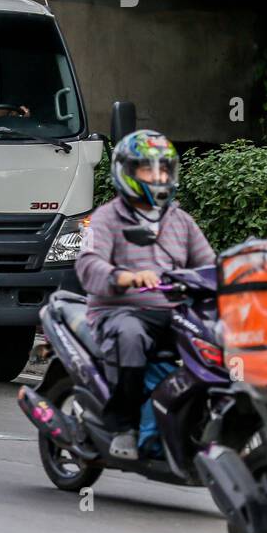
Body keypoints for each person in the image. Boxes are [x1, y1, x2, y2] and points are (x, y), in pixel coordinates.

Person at [75, 129, 214, 460]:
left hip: (173, 311)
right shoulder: (106, 218)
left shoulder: (181, 221)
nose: (157, 177)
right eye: (147, 169)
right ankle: (124, 426)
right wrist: (127, 277)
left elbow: (209, 264)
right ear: (127, 172)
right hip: (119, 313)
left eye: (163, 169)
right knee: (131, 335)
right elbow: (88, 265)